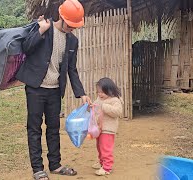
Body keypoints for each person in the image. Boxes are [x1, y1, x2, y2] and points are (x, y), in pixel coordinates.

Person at [15, 0, 91, 179]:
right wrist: (40, 30)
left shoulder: (72, 41)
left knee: (54, 128)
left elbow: (72, 69)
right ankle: (37, 169)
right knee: (34, 128)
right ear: (62, 17)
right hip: (36, 88)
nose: (72, 28)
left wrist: (81, 93)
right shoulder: (44, 27)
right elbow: (26, 48)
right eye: (70, 25)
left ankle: (55, 165)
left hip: (55, 90)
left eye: (75, 26)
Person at [90, 77, 123, 176]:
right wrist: (91, 106)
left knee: (105, 148)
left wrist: (104, 107)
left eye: (102, 92)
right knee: (99, 147)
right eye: (98, 92)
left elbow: (117, 112)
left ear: (110, 90)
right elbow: (95, 108)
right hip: (99, 129)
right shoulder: (99, 99)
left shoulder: (115, 100)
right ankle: (101, 162)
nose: (100, 94)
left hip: (108, 129)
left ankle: (107, 167)